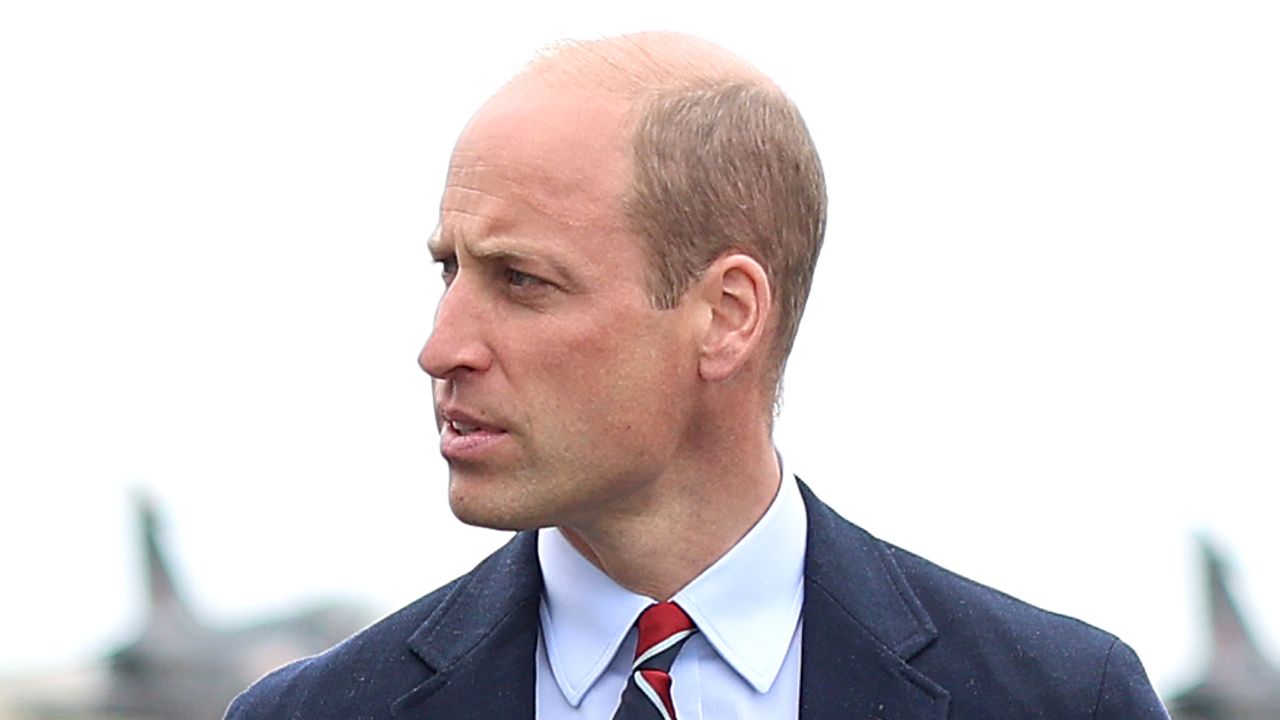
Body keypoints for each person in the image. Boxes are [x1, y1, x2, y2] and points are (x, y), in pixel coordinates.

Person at [225, 31, 1168, 719]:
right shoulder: (309, 715)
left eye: (521, 281)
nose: (441, 347)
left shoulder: (1058, 700)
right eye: (448, 270)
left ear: (726, 317)